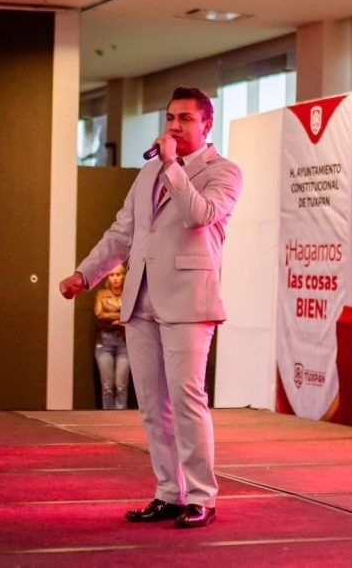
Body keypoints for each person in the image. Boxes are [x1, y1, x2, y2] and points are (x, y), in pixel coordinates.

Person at [59, 86, 242, 529]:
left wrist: (173, 166)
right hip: (140, 299)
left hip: (188, 302)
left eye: (185, 119)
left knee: (186, 399)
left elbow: (199, 215)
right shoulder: (148, 174)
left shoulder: (224, 171)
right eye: (170, 118)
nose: (175, 126)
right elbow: (123, 232)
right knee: (152, 404)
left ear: (207, 125)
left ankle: (201, 496)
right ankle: (168, 493)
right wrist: (86, 274)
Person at [94, 264, 129, 409]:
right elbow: (99, 314)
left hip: (124, 343)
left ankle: (120, 418)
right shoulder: (102, 294)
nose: (115, 278)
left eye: (118, 275)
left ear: (123, 276)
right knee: (107, 386)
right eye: (112, 275)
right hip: (104, 342)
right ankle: (107, 417)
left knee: (121, 385)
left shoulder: (129, 294)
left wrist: (113, 317)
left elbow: (132, 315)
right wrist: (121, 317)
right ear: (108, 277)